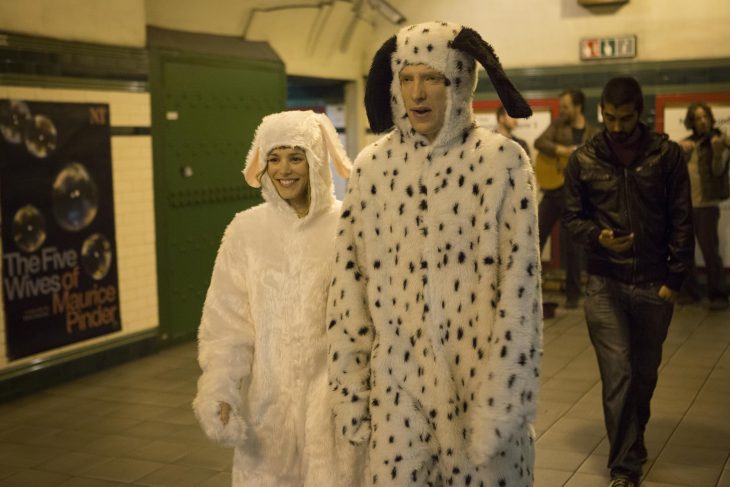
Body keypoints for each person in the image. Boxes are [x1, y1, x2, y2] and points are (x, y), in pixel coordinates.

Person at [326, 21, 542, 486]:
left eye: (434, 78)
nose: (417, 93)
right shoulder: (372, 169)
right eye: (407, 78)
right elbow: (348, 285)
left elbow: (521, 290)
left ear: (461, 82)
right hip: (398, 396)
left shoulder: (501, 164)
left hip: (477, 389)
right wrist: (350, 388)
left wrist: (504, 400)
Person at [193, 110, 362, 486]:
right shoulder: (246, 231)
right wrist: (220, 386)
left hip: (333, 408)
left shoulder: (348, 227)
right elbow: (226, 322)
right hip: (268, 411)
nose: (284, 169)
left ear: (316, 160)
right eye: (274, 157)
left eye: (296, 156)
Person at [562, 77, 694, 487]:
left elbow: (681, 218)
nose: (617, 127)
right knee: (618, 372)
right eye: (610, 118)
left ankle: (631, 442)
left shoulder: (666, 156)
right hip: (605, 283)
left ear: (642, 113)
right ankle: (624, 468)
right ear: (601, 111)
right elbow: (571, 218)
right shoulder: (583, 159)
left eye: (626, 118)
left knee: (644, 374)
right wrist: (597, 237)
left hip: (655, 284)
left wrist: (675, 278)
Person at [534, 89, 599, 308]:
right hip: (553, 192)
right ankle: (528, 287)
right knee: (535, 236)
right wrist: (563, 150)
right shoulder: (558, 125)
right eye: (561, 106)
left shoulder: (592, 134)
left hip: (575, 196)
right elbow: (539, 143)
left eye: (566, 106)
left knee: (573, 247)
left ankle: (573, 296)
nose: (562, 110)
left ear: (578, 107)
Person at [678, 102, 729, 310]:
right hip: (687, 204)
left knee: (709, 250)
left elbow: (718, 172)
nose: (702, 121)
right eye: (698, 118)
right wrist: (681, 149)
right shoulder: (688, 143)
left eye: (705, 117)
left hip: (707, 205)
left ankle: (718, 295)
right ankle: (690, 292)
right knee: (685, 250)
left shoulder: (720, 140)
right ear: (692, 121)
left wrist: (717, 153)